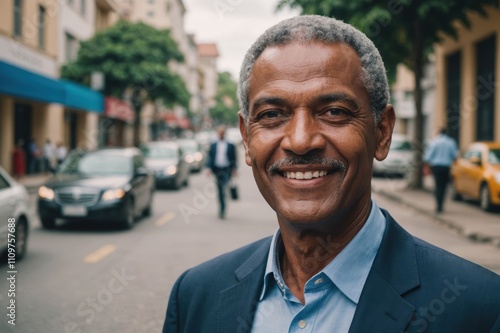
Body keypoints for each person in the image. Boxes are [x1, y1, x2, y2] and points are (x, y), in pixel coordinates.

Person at [163, 16, 500, 333]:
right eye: (272, 114)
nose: (300, 141)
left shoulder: (480, 309)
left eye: (334, 112)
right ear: (246, 138)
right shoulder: (196, 297)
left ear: (382, 132)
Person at [205, 126, 238, 219]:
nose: (221, 134)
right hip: (217, 169)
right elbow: (210, 157)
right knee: (220, 190)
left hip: (227, 169)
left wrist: (235, 169)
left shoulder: (230, 145)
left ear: (225, 134)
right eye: (219, 133)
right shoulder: (213, 144)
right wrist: (208, 168)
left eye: (222, 133)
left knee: (223, 187)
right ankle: (222, 208)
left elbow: (234, 158)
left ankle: (223, 206)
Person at [423, 128, 458, 213]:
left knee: (437, 185)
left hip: (436, 167)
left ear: (439, 133)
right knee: (444, 186)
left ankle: (438, 205)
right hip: (446, 167)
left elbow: (428, 156)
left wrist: (426, 165)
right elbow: (455, 156)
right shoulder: (451, 142)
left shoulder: (435, 142)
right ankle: (441, 204)